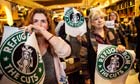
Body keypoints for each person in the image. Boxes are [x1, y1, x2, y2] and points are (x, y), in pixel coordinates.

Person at [24, 8, 71, 84]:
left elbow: (66, 52)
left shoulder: (54, 41)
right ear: (30, 24)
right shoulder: (24, 44)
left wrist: (43, 31)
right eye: (35, 21)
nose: (39, 25)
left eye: (43, 21)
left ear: (48, 25)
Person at [78, 8, 126, 84]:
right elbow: (83, 58)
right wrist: (87, 76)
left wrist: (120, 47)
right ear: (92, 22)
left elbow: (119, 43)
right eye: (96, 19)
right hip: (96, 73)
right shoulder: (86, 37)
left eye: (101, 18)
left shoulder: (113, 31)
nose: (100, 20)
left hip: (113, 71)